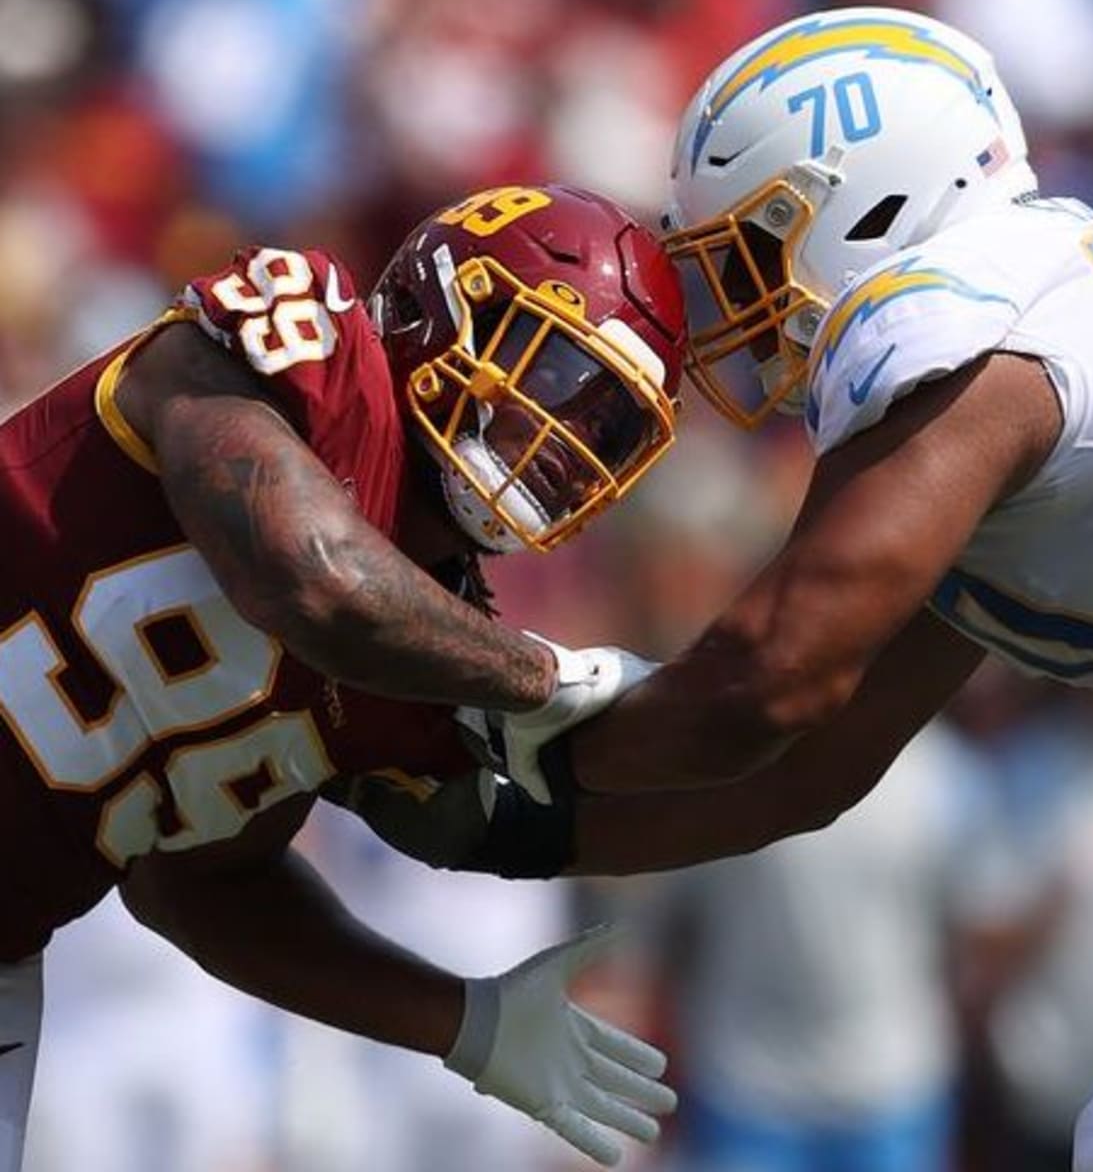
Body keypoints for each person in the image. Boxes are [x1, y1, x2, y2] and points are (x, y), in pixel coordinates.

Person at [486, 5, 1093, 1172]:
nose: (730, 307)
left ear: (867, 200)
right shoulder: (1044, 301)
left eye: (753, 247)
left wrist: (492, 721)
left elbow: (768, 678)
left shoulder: (942, 308)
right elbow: (811, 769)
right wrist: (524, 836)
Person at [0, 181, 684, 1171]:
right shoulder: (311, 355)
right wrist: (543, 676)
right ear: (450, 303)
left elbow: (199, 888)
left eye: (604, 425)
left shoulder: (428, 655)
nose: (553, 438)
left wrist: (463, 1022)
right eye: (552, 373)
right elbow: (313, 580)